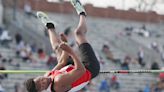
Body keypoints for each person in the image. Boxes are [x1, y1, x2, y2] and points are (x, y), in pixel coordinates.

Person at [24, 0, 100, 92]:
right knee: (78, 34)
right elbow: (81, 70)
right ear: (41, 91)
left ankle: (49, 26)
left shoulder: (47, 76)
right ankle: (82, 12)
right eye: (41, 86)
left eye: (40, 80)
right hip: (89, 69)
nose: (43, 82)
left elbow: (62, 62)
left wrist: (64, 43)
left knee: (57, 48)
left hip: (72, 68)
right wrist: (70, 51)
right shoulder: (58, 83)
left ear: (38, 77)